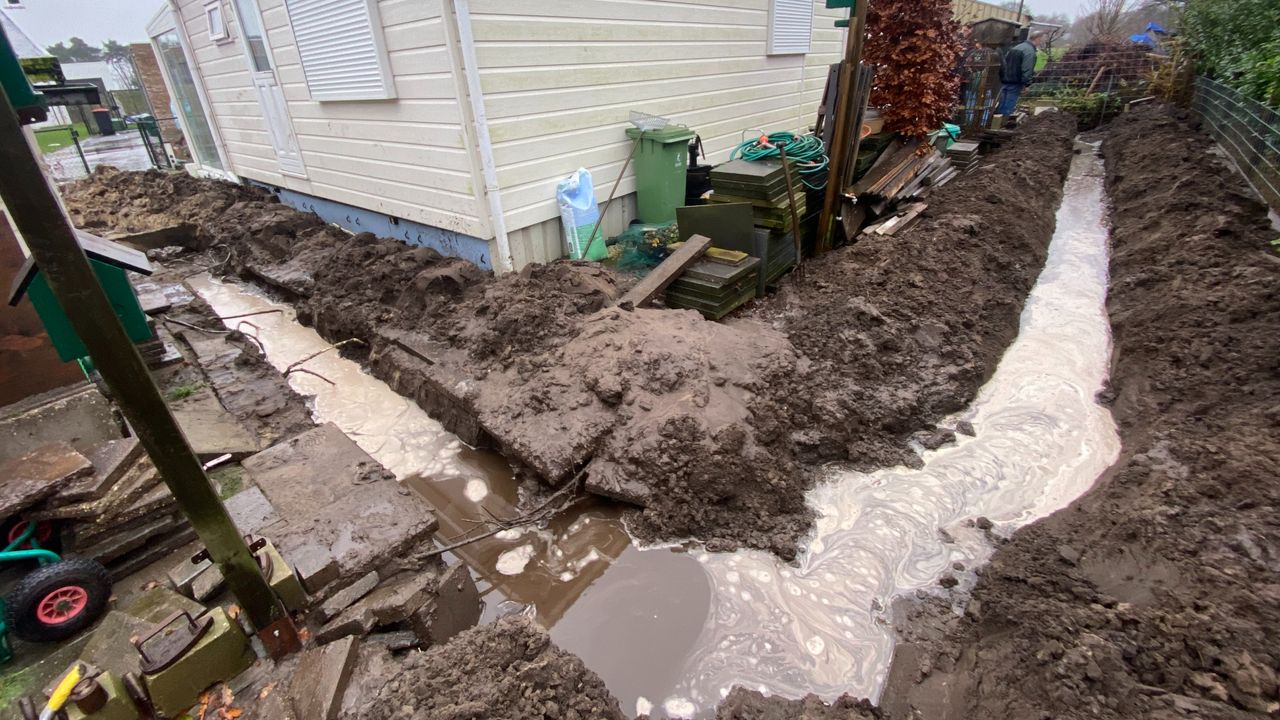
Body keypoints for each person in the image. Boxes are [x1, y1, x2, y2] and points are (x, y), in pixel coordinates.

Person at [998, 31, 1043, 117]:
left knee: (1002, 103)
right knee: (1009, 105)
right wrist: (1027, 84)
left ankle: (996, 122)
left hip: (1005, 80)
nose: (1041, 42)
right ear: (1037, 39)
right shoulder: (1029, 51)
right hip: (1015, 82)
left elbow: (1004, 64)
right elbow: (1027, 69)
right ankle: (1003, 123)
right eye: (1041, 40)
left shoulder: (1016, 47)